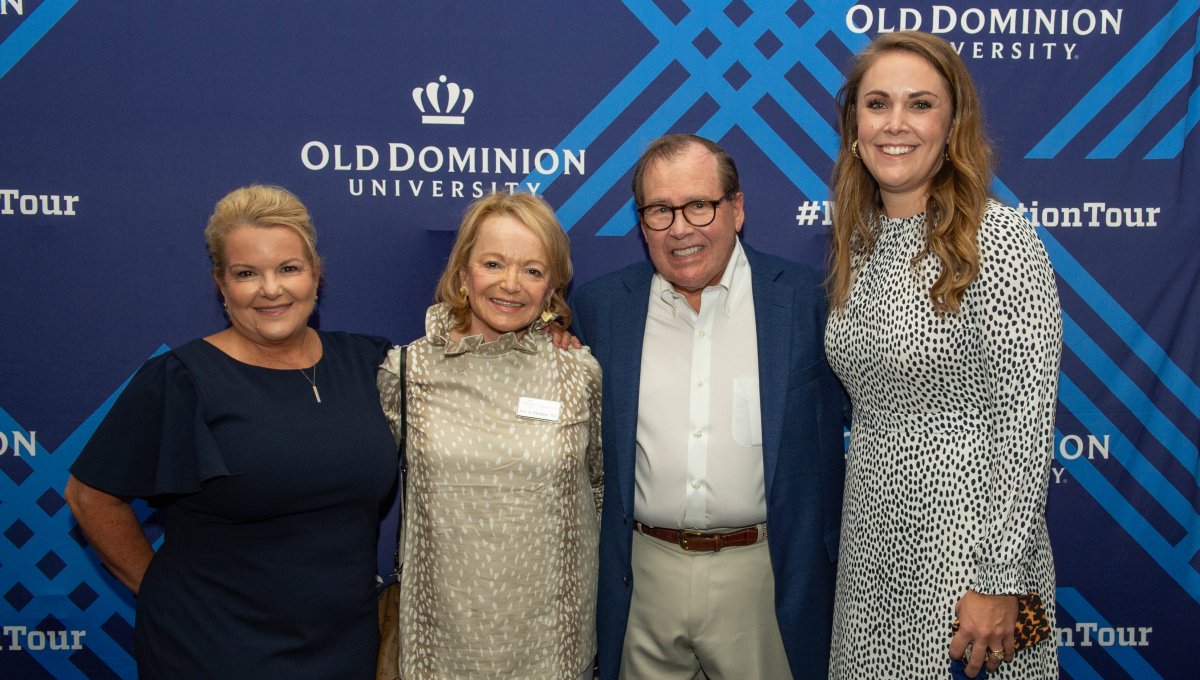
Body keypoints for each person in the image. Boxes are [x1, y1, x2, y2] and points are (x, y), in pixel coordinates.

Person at [63, 185, 397, 678]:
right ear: (221, 285)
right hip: (212, 649)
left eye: (289, 268)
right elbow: (89, 496)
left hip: (345, 647)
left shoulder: (369, 362)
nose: (271, 289)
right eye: (246, 274)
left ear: (316, 274)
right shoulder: (182, 379)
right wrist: (159, 592)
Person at [824, 31, 1062, 679]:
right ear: (854, 125)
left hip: (974, 570)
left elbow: (1026, 423)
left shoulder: (999, 240)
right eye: (877, 104)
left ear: (953, 125)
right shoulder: (859, 243)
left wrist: (998, 580)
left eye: (920, 104)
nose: (895, 123)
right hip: (873, 556)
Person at [572, 134, 846, 680]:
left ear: (737, 208)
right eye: (660, 210)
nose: (680, 228)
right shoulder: (601, 308)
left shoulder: (808, 301)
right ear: (641, 221)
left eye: (699, 205)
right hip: (642, 578)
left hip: (765, 578)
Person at [376, 191, 603, 680]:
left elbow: (601, 491)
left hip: (554, 650)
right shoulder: (406, 371)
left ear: (551, 287)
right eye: (493, 263)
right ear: (464, 273)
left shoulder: (578, 373)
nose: (510, 284)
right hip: (439, 649)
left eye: (532, 270)